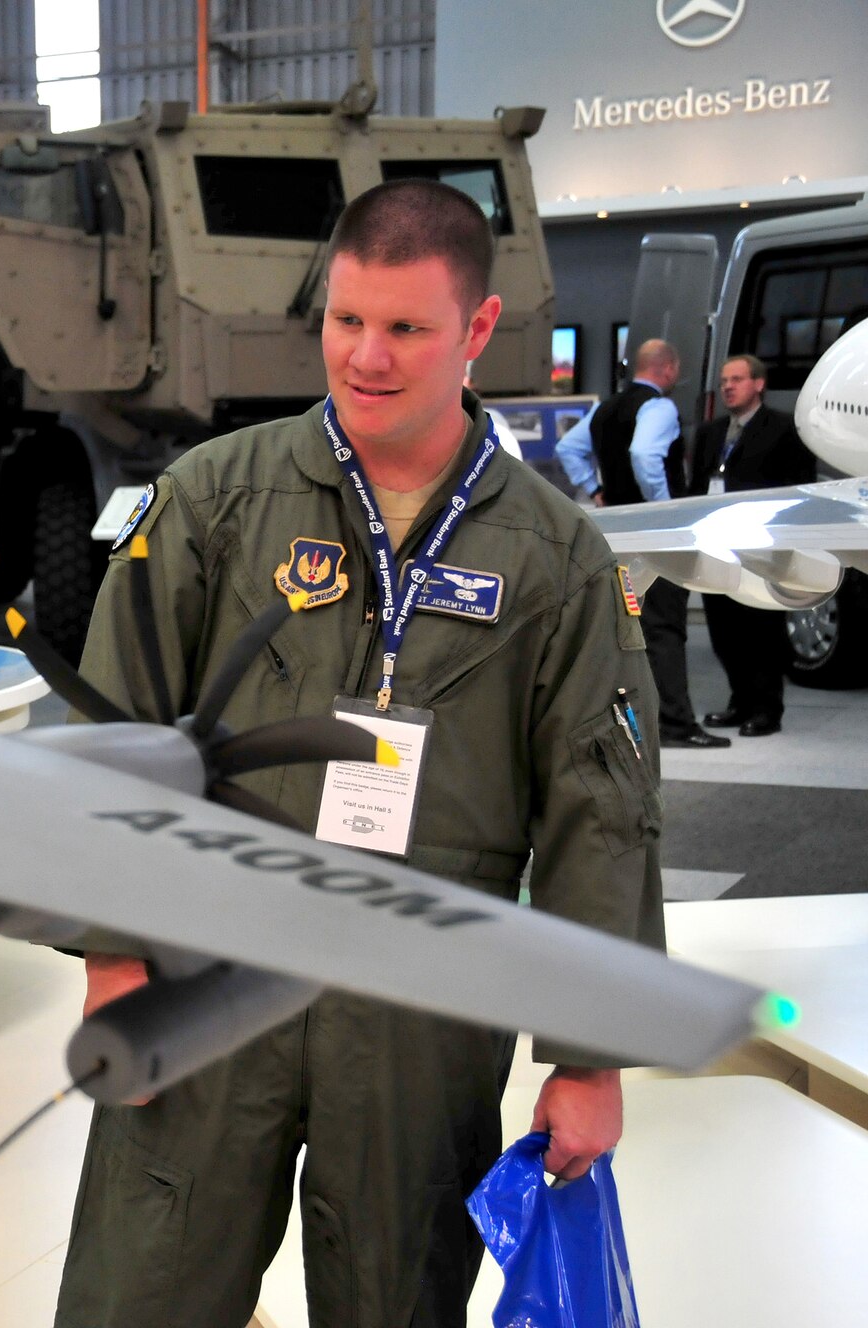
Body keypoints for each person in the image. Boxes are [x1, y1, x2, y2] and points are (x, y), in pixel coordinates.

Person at [57, 180, 662, 1328]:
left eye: (404, 328)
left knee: (395, 1293)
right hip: (211, 967)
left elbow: (600, 802)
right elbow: (116, 722)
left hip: (422, 1003)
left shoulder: (555, 558)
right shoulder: (211, 501)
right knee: (142, 1277)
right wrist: (108, 944)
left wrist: (589, 1054)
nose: (365, 357)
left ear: (476, 331)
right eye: (345, 321)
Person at [555, 338, 728, 748]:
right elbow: (645, 454)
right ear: (668, 369)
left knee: (623, 629)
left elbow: (568, 448)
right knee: (665, 628)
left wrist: (594, 488)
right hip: (655, 536)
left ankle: (626, 723)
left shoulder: (604, 409)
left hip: (614, 534)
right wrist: (664, 509)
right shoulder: (660, 407)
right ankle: (675, 723)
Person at [691, 354, 819, 736]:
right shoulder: (711, 433)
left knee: (761, 630)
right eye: (724, 380)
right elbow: (696, 488)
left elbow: (798, 488)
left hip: (759, 547)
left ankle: (766, 708)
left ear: (758, 384)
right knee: (724, 629)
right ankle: (740, 700)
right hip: (716, 546)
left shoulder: (781, 429)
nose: (727, 386)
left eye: (737, 379)